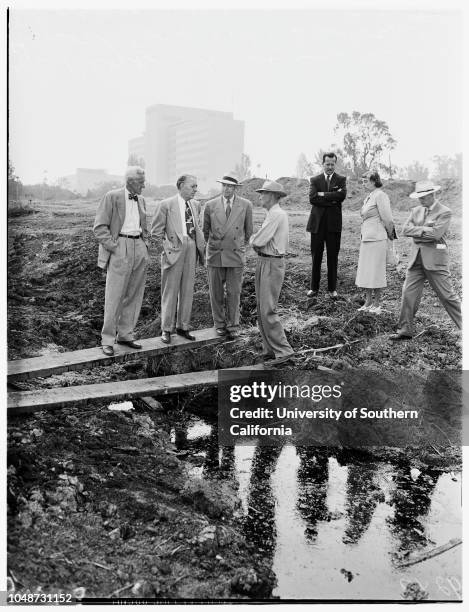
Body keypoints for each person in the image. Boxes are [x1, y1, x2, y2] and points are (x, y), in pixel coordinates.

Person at [390, 179, 461, 340]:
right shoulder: (416, 210)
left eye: (423, 197)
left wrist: (418, 232)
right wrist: (424, 230)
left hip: (435, 260)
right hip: (416, 260)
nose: (420, 200)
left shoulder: (444, 212)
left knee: (447, 296)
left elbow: (436, 234)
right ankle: (405, 329)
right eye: (419, 197)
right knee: (408, 294)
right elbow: (405, 230)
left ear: (431, 194)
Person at [93, 166, 149, 356]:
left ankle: (126, 335)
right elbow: (100, 227)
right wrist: (115, 247)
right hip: (120, 246)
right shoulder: (112, 196)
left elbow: (143, 225)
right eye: (141, 182)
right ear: (130, 181)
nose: (144, 185)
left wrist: (144, 246)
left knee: (134, 294)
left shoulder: (141, 199)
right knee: (114, 295)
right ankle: (107, 339)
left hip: (138, 246)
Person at [151, 174, 205, 344]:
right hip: (174, 249)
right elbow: (156, 233)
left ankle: (183, 327)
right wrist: (167, 251)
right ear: (181, 186)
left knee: (188, 289)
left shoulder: (195, 205)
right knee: (170, 291)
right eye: (192, 186)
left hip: (191, 249)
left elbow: (198, 228)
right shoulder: (166, 205)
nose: (195, 190)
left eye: (196, 186)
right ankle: (166, 329)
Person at [249, 180, 294, 363]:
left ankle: (284, 351)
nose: (260, 196)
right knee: (261, 307)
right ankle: (270, 349)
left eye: (264, 193)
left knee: (268, 309)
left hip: (271, 263)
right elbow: (260, 240)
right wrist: (256, 240)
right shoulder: (272, 214)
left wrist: (253, 239)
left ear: (273, 196)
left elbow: (258, 241)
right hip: (265, 261)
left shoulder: (277, 214)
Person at [203, 175, 253, 340]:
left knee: (234, 292)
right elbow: (204, 231)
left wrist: (240, 247)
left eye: (230, 187)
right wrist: (211, 248)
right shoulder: (210, 205)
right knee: (216, 293)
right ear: (221, 187)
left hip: (235, 256)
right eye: (224, 186)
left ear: (236, 188)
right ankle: (219, 324)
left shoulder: (246, 205)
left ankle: (233, 325)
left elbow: (249, 231)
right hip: (216, 255)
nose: (227, 189)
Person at [306, 152, 347, 298]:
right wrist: (332, 199)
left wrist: (322, 195)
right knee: (316, 257)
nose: (330, 166)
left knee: (332, 257)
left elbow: (341, 196)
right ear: (322, 164)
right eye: (327, 164)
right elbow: (312, 199)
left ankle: (332, 289)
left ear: (335, 164)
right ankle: (314, 288)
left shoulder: (341, 179)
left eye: (332, 164)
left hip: (333, 225)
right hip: (317, 225)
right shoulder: (315, 180)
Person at [355, 171, 395, 313]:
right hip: (367, 238)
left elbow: (388, 219)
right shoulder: (369, 197)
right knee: (367, 270)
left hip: (378, 238)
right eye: (363, 180)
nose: (363, 183)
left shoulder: (380, 195)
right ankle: (368, 302)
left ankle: (377, 304)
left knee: (376, 270)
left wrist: (390, 234)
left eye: (366, 180)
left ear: (374, 181)